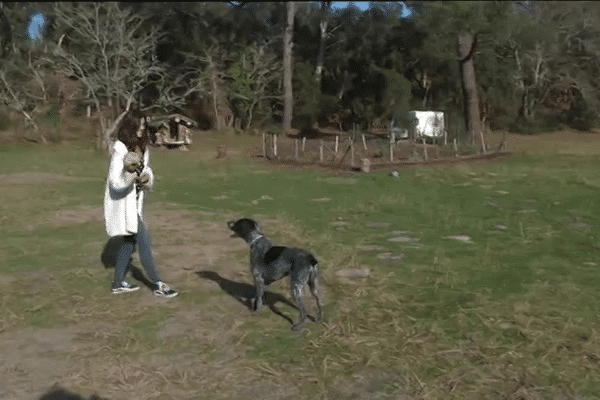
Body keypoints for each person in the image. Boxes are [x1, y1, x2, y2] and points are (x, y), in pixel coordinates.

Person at [102, 107, 178, 298]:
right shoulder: (120, 148)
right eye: (138, 126)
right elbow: (115, 182)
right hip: (123, 205)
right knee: (144, 242)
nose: (141, 130)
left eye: (144, 126)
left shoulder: (143, 147)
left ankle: (118, 283)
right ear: (130, 125)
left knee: (128, 244)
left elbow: (147, 170)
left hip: (136, 202)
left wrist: (145, 177)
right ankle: (158, 284)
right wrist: (129, 173)